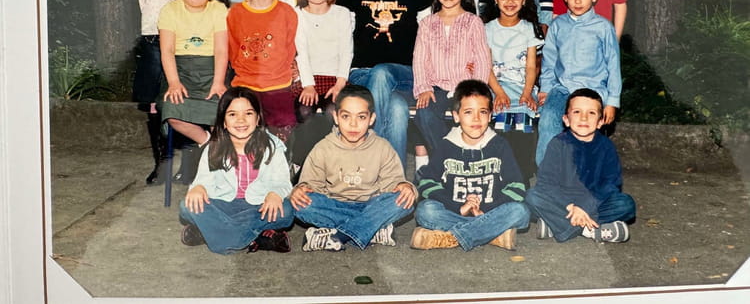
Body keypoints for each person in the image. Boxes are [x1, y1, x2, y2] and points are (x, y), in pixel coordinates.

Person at [337, 0, 433, 167]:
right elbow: (343, 37)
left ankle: (367, 155)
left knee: (382, 72)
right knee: (398, 109)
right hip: (362, 74)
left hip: (406, 74)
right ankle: (394, 180)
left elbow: (427, 39)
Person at [290, 84, 416, 251]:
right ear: (336, 117)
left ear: (371, 119)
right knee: (299, 204)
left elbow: (393, 182)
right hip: (335, 205)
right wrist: (301, 189)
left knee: (405, 200)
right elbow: (311, 184)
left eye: (361, 117)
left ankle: (339, 236)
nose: (353, 124)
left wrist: (404, 186)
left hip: (371, 205)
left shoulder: (382, 147)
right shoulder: (323, 148)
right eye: (346, 116)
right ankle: (372, 230)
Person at [411, 80, 530, 251]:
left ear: (490, 115)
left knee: (520, 212)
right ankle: (492, 234)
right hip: (455, 211)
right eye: (468, 112)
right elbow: (427, 183)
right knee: (425, 210)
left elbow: (517, 187)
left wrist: (486, 210)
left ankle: (453, 237)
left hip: (491, 212)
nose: (476, 118)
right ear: (456, 116)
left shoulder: (499, 145)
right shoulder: (446, 145)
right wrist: (459, 208)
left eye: (483, 112)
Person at [179, 87, 294, 254]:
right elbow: (203, 180)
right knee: (186, 207)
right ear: (224, 122)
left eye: (248, 113)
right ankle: (255, 237)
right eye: (232, 114)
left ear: (258, 119)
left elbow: (282, 182)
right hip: (224, 204)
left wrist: (275, 194)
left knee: (287, 211)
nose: (241, 120)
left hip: (259, 206)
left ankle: (212, 232)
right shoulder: (214, 147)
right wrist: (198, 187)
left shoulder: (272, 146)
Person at [133, 0, 194, 184]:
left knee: (181, 99)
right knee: (154, 103)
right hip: (151, 37)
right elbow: (143, 3)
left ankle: (189, 165)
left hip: (181, 38)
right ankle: (162, 164)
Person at [526, 88, 635, 243]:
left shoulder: (606, 146)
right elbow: (546, 183)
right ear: (566, 119)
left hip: (593, 200)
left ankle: (555, 224)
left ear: (600, 122)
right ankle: (589, 230)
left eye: (591, 113)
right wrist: (570, 206)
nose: (584, 117)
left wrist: (584, 207)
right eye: (577, 112)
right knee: (532, 197)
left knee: (625, 204)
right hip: (563, 201)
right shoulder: (557, 144)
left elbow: (610, 184)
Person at [536, 0, 621, 165]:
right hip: (562, 88)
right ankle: (548, 173)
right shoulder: (558, 25)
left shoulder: (603, 27)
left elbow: (613, 65)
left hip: (593, 90)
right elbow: (549, 60)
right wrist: (546, 88)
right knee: (548, 120)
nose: (577, 0)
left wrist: (612, 101)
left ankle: (587, 175)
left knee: (585, 129)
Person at [158, 0, 230, 182]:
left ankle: (222, 170)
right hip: (180, 74)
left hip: (212, 72)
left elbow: (221, 51)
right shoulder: (170, 10)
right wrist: (174, 82)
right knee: (172, 112)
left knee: (223, 112)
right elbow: (167, 51)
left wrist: (218, 82)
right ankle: (209, 143)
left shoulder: (219, 9)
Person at [412, 0, 491, 161]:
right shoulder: (427, 24)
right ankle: (450, 160)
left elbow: (482, 59)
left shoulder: (473, 22)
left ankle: (462, 159)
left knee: (469, 115)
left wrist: (476, 89)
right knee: (423, 113)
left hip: (464, 88)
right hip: (436, 87)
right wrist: (423, 87)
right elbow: (420, 58)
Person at [226, 0, 298, 142]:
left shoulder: (287, 13)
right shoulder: (235, 13)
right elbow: (232, 50)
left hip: (279, 85)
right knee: (244, 134)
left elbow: (291, 47)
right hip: (245, 85)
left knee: (283, 134)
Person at [485, 0, 545, 183]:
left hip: (522, 87)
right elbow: (486, 67)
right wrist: (499, 93)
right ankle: (501, 176)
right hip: (497, 87)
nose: (510, 0)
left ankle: (521, 177)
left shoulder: (528, 29)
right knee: (501, 120)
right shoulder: (487, 29)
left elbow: (531, 67)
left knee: (523, 120)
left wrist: (527, 93)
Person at [293, 0, 353, 119]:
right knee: (304, 111)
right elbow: (301, 53)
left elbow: (346, 51)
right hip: (307, 79)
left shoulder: (342, 13)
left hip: (335, 79)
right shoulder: (297, 14)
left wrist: (340, 84)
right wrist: (308, 85)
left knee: (333, 111)